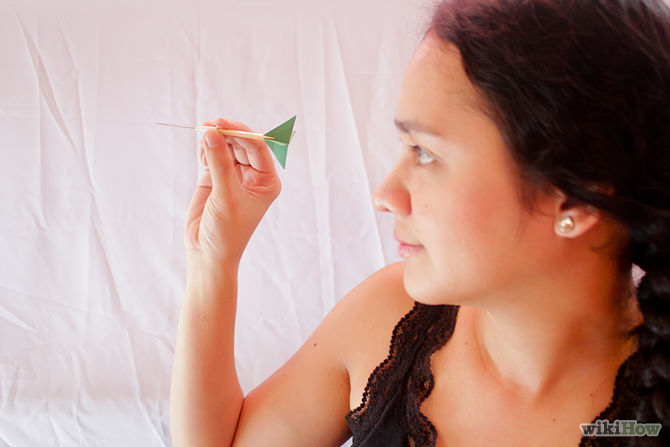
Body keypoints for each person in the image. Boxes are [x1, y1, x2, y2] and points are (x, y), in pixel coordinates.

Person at [169, 0, 670, 445]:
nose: (385, 195)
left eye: (426, 153)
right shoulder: (386, 319)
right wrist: (214, 259)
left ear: (576, 201)